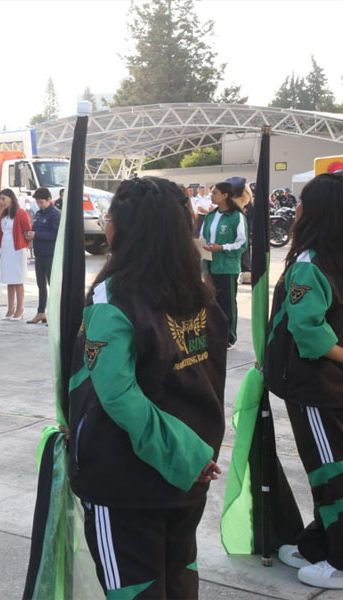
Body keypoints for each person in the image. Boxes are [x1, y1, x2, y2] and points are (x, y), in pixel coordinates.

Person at [68, 176, 226, 600]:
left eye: (109, 218)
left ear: (125, 229)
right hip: (191, 472)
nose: (106, 227)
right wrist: (198, 453)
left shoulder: (112, 298)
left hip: (126, 478)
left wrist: (187, 456)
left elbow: (116, 395)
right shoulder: (200, 292)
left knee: (135, 589)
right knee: (178, 580)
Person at [264, 173, 343, 589]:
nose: (295, 210)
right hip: (327, 387)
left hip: (318, 388)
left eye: (302, 203)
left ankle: (340, 560)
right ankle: (318, 542)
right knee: (328, 469)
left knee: (330, 473)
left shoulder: (312, 264)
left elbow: (311, 337)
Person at [200, 180, 248, 348]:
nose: (211, 196)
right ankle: (214, 333)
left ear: (225, 195)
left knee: (227, 302)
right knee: (211, 302)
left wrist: (222, 248)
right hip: (210, 266)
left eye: (214, 193)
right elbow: (203, 238)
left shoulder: (237, 217)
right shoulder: (210, 216)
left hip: (227, 267)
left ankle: (228, 336)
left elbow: (242, 243)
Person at [0, 188, 31, 321]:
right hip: (6, 248)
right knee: (9, 280)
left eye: (4, 199)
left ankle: (20, 308)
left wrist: (24, 244)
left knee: (18, 280)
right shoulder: (3, 213)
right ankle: (10, 308)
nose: (2, 201)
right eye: (0, 199)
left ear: (11, 199)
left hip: (17, 249)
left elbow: (27, 230)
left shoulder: (20, 213)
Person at [26, 187, 60, 324]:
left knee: (53, 285)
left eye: (41, 202)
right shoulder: (39, 214)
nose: (39, 205)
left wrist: (37, 235)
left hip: (50, 254)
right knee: (41, 285)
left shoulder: (55, 214)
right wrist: (30, 235)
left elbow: (56, 235)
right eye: (37, 202)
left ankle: (55, 314)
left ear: (49, 200)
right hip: (39, 254)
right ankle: (41, 312)